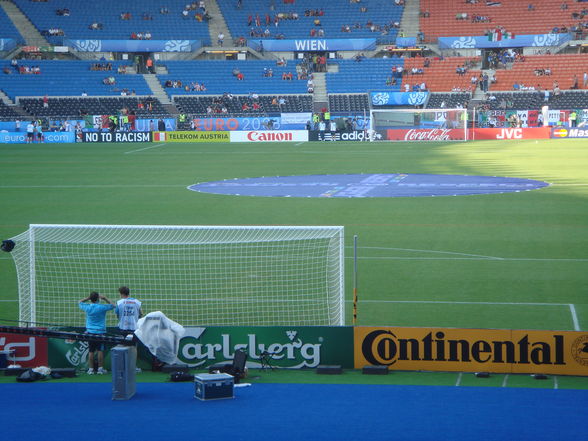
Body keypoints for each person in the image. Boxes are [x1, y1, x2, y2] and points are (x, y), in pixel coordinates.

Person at [79, 291, 115, 374]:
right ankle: (100, 369)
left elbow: (80, 302)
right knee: (100, 351)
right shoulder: (102, 307)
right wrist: (105, 298)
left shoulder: (87, 307)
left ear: (91, 299)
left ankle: (91, 369)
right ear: (98, 298)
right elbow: (113, 305)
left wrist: (87, 298)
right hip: (100, 332)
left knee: (91, 351)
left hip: (90, 332)